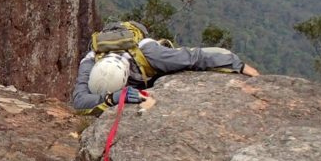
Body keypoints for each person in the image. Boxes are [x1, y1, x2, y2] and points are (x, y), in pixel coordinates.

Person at [71, 22, 259, 114]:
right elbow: (80, 101)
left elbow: (193, 57)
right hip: (117, 49)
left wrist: (238, 65)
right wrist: (111, 98)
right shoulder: (89, 62)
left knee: (173, 62)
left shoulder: (150, 53)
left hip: (142, 48)